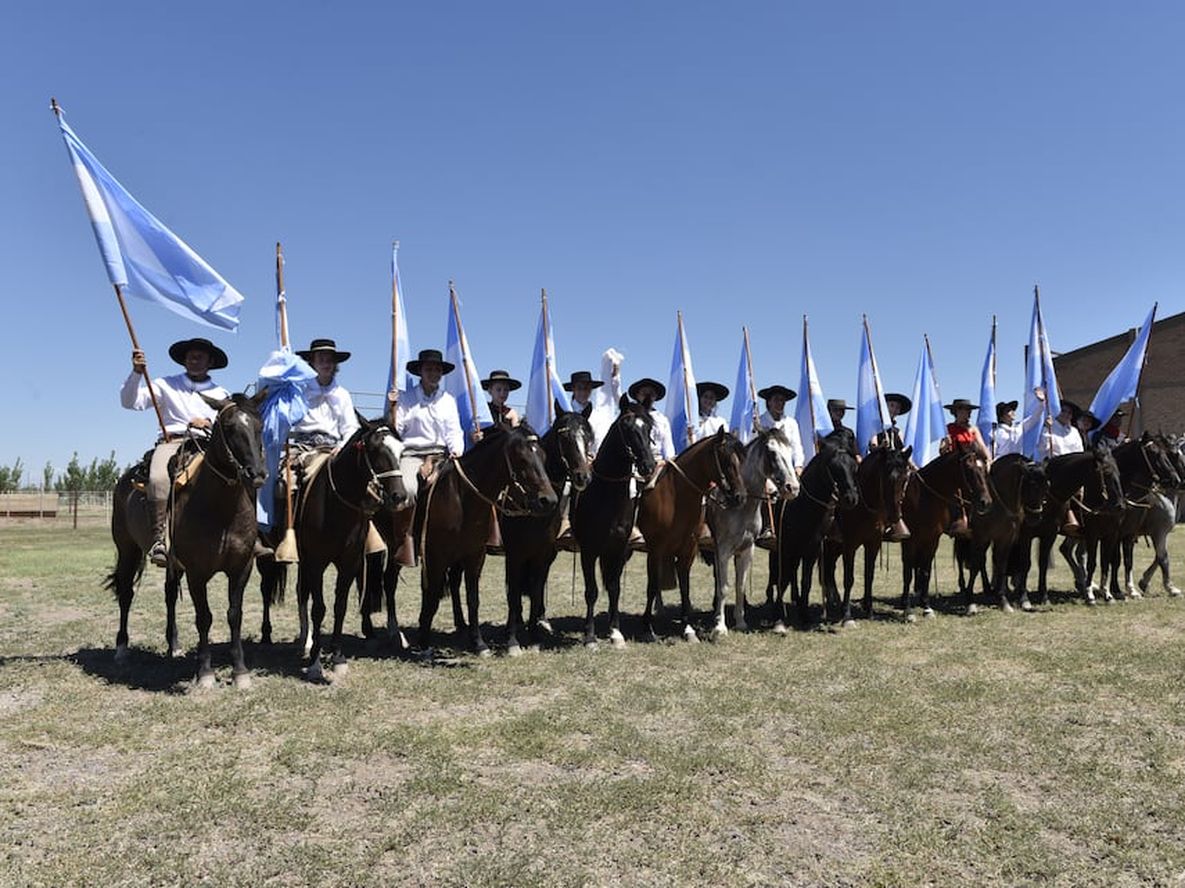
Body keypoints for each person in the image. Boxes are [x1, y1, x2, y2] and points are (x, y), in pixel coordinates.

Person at [120, 337, 231, 567]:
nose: (195, 359)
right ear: (184, 360)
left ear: (210, 361)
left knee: (237, 473)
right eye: (191, 356)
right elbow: (131, 402)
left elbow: (227, 427)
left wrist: (209, 425)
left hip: (206, 444)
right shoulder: (164, 384)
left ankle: (245, 535)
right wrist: (136, 374)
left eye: (200, 356)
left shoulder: (221, 393)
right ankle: (160, 539)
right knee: (158, 478)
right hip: (172, 443)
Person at [393, 349, 465, 504]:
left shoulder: (448, 400)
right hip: (411, 455)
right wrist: (393, 407)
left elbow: (454, 431)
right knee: (409, 490)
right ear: (420, 372)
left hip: (441, 456)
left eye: (437, 370)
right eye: (429, 369)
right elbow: (396, 430)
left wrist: (456, 450)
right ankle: (405, 528)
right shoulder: (406, 398)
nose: (434, 374)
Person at [291, 338, 360, 450]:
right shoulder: (299, 390)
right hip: (302, 448)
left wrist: (342, 447)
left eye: (329, 360)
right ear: (312, 362)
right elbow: (287, 418)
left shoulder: (343, 394)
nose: (326, 364)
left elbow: (350, 427)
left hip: (332, 450)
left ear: (335, 364)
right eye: (321, 359)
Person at [940, 398, 991, 538]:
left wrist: (988, 459)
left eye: (969, 411)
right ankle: (956, 518)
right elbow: (942, 450)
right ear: (956, 412)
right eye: (964, 411)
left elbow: (982, 447)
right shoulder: (948, 429)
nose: (968, 414)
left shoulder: (973, 429)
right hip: (955, 466)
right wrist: (945, 445)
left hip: (971, 465)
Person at [564, 364, 620, 454]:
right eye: (579, 388)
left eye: (586, 388)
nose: (583, 392)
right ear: (573, 389)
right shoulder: (566, 412)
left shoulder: (597, 415)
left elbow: (599, 438)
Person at [757, 385, 805, 473]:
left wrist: (798, 465)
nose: (780, 403)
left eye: (782, 400)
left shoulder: (791, 423)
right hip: (765, 469)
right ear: (769, 402)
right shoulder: (759, 422)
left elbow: (796, 446)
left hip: (787, 468)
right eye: (776, 400)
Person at [629, 378, 675, 462]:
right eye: (644, 393)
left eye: (651, 394)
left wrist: (669, 461)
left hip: (658, 461)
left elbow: (667, 445)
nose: (648, 397)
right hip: (634, 462)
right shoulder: (630, 416)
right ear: (637, 395)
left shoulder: (662, 419)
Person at [1036, 395, 1084, 460]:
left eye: (1069, 413)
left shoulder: (1074, 432)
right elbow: (1041, 449)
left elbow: (1079, 451)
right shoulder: (1047, 428)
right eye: (1063, 411)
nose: (1066, 414)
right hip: (1053, 465)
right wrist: (1046, 430)